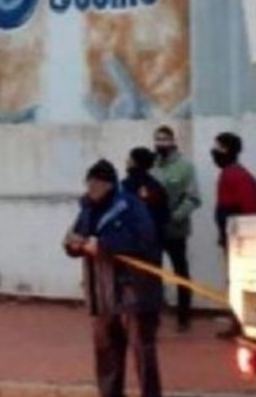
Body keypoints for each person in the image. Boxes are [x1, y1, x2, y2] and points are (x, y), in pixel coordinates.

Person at [64, 160, 164, 397]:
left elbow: (144, 240)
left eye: (96, 183)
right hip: (102, 295)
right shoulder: (87, 209)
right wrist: (73, 245)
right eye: (89, 183)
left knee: (143, 354)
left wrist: (104, 245)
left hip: (134, 293)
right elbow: (74, 236)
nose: (91, 188)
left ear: (109, 184)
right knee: (107, 356)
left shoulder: (131, 206)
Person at [211, 131, 256, 339]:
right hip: (236, 237)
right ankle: (240, 322)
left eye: (218, 147)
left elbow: (248, 209)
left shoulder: (232, 175)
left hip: (239, 240)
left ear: (227, 150)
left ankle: (240, 324)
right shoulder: (237, 173)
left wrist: (239, 239)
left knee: (238, 281)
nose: (214, 152)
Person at [152, 126, 200, 332]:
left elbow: (193, 197)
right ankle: (153, 315)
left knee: (181, 272)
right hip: (153, 230)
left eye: (165, 139)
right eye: (157, 139)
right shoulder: (151, 166)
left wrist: (176, 216)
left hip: (175, 229)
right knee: (152, 274)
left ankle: (184, 317)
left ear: (173, 141)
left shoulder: (185, 167)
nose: (161, 143)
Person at [120, 147, 170, 256]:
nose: (126, 161)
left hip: (129, 243)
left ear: (135, 162)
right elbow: (165, 216)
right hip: (154, 242)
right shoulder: (157, 186)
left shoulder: (125, 186)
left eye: (129, 158)